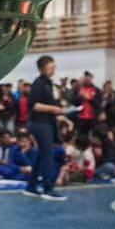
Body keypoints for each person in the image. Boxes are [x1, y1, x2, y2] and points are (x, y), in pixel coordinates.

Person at [25, 55, 78, 200]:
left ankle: (31, 186)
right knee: (47, 154)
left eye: (54, 67)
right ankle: (48, 188)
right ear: (42, 69)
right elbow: (33, 105)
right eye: (50, 68)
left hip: (46, 121)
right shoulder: (39, 83)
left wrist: (62, 115)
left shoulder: (48, 83)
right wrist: (54, 109)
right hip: (39, 123)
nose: (53, 70)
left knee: (42, 154)